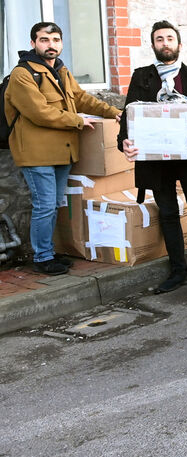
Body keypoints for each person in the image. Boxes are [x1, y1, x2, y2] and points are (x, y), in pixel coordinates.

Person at [118, 20, 187, 294]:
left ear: (179, 44)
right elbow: (130, 114)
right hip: (156, 158)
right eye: (159, 39)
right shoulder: (142, 76)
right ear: (153, 45)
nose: (164, 43)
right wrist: (124, 143)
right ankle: (178, 271)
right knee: (168, 213)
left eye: (169, 38)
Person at [4, 22, 122, 275]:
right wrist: (78, 120)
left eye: (56, 40)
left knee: (55, 203)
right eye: (44, 40)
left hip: (63, 151)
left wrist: (113, 112)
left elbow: (81, 98)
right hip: (37, 153)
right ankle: (43, 257)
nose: (51, 45)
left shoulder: (61, 70)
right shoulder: (22, 74)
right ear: (33, 43)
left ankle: (48, 250)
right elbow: (38, 112)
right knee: (44, 205)